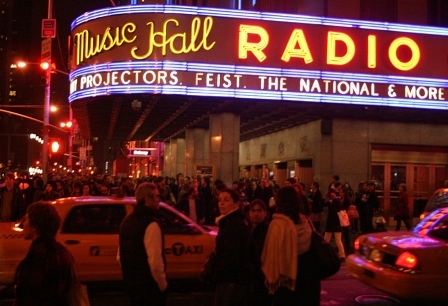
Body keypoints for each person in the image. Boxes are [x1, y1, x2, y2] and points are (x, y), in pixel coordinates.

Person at [261, 186, 320, 306]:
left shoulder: (277, 225)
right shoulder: (306, 222)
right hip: (309, 279)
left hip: (285, 279)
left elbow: (270, 256)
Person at [14, 201, 74, 305]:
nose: (23, 223)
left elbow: (27, 294)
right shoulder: (63, 250)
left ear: (35, 226)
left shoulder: (37, 255)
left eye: (27, 219)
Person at [119, 182, 167, 306]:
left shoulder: (126, 221)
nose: (159, 199)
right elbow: (155, 262)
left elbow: (119, 256)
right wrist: (162, 285)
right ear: (147, 199)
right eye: (156, 196)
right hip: (149, 287)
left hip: (132, 285)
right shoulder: (151, 224)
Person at [213, 188, 250, 306]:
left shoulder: (233, 224)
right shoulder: (229, 221)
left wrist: (218, 272)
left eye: (226, 200)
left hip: (231, 280)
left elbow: (231, 256)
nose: (221, 203)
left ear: (236, 203)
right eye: (220, 200)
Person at [247, 199, 270, 306]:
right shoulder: (248, 230)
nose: (256, 213)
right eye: (253, 210)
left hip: (261, 278)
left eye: (259, 210)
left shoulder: (267, 231)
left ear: (265, 213)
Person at [324, 188, 346, 262]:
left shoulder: (338, 200)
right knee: (326, 240)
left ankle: (342, 255)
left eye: (333, 193)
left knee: (338, 240)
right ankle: (325, 254)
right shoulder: (330, 201)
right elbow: (322, 204)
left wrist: (335, 198)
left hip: (337, 223)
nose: (331, 195)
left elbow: (339, 206)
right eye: (331, 193)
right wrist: (325, 197)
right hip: (330, 223)